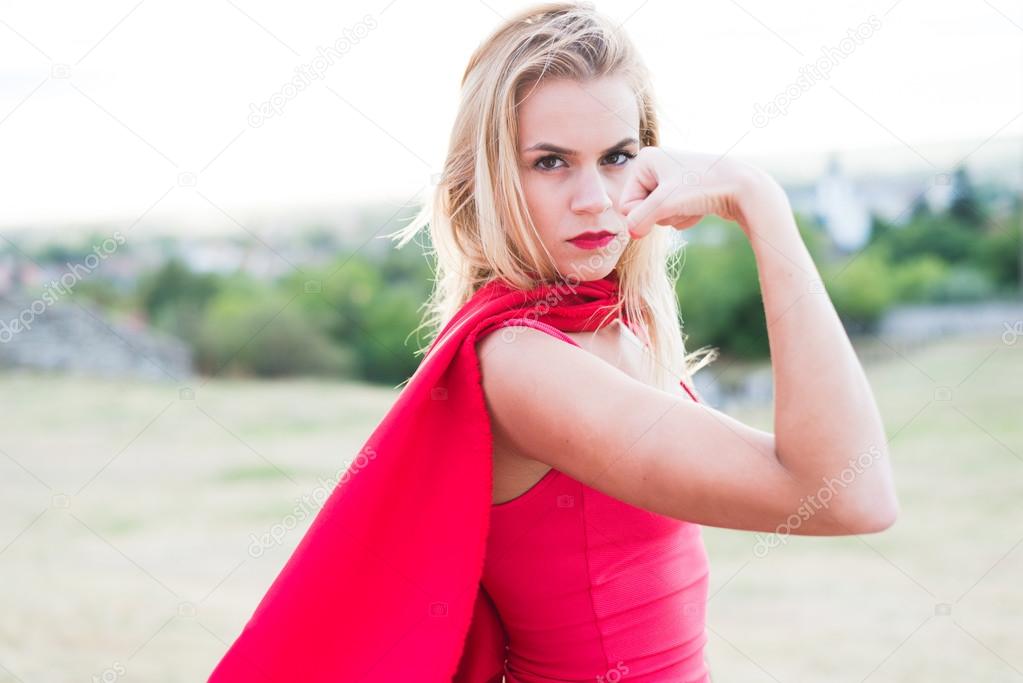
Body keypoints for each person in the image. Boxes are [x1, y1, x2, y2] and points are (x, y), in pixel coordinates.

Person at [208, 3, 899, 682]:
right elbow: (848, 494)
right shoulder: (522, 364)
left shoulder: (612, 325)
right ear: (489, 176)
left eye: (617, 156)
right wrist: (759, 199)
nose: (594, 196)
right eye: (550, 162)